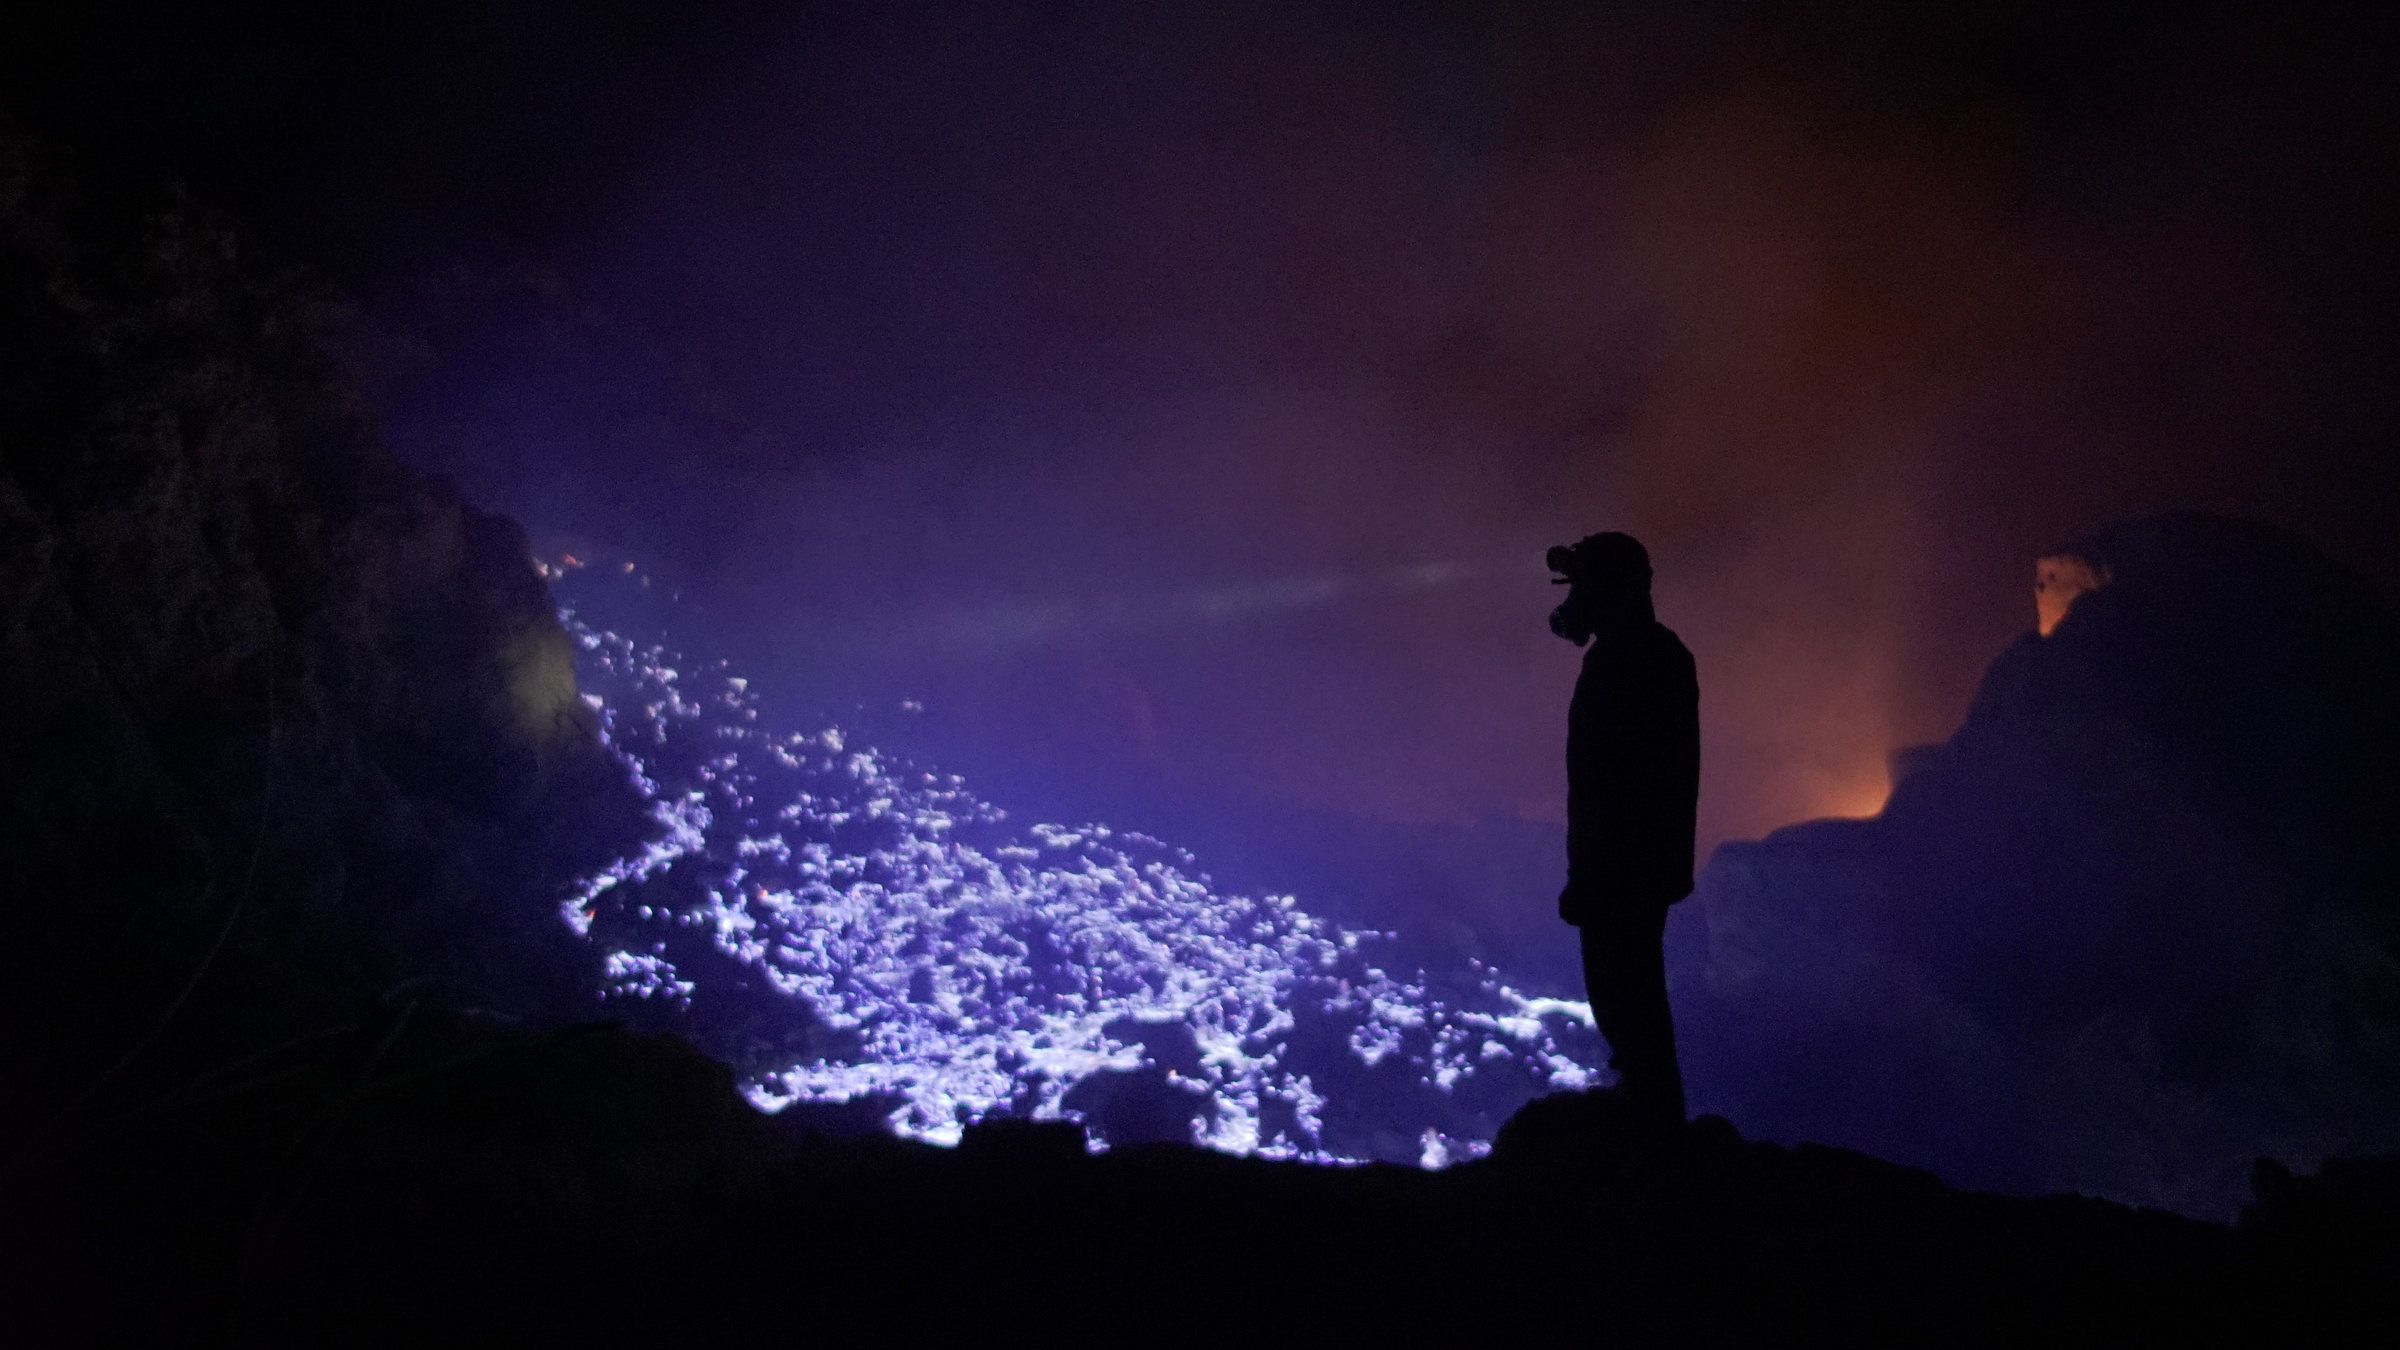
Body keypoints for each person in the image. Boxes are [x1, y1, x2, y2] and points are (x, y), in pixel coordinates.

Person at [1547, 531, 1699, 1132]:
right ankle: (1655, 1124)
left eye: (1584, 587)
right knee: (1632, 1003)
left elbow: (1611, 784)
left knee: (1627, 1003)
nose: (1574, 602)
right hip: (1640, 868)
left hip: (1621, 872)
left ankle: (1655, 1133)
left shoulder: (1627, 661)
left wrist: (1591, 872)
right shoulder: (1658, 654)